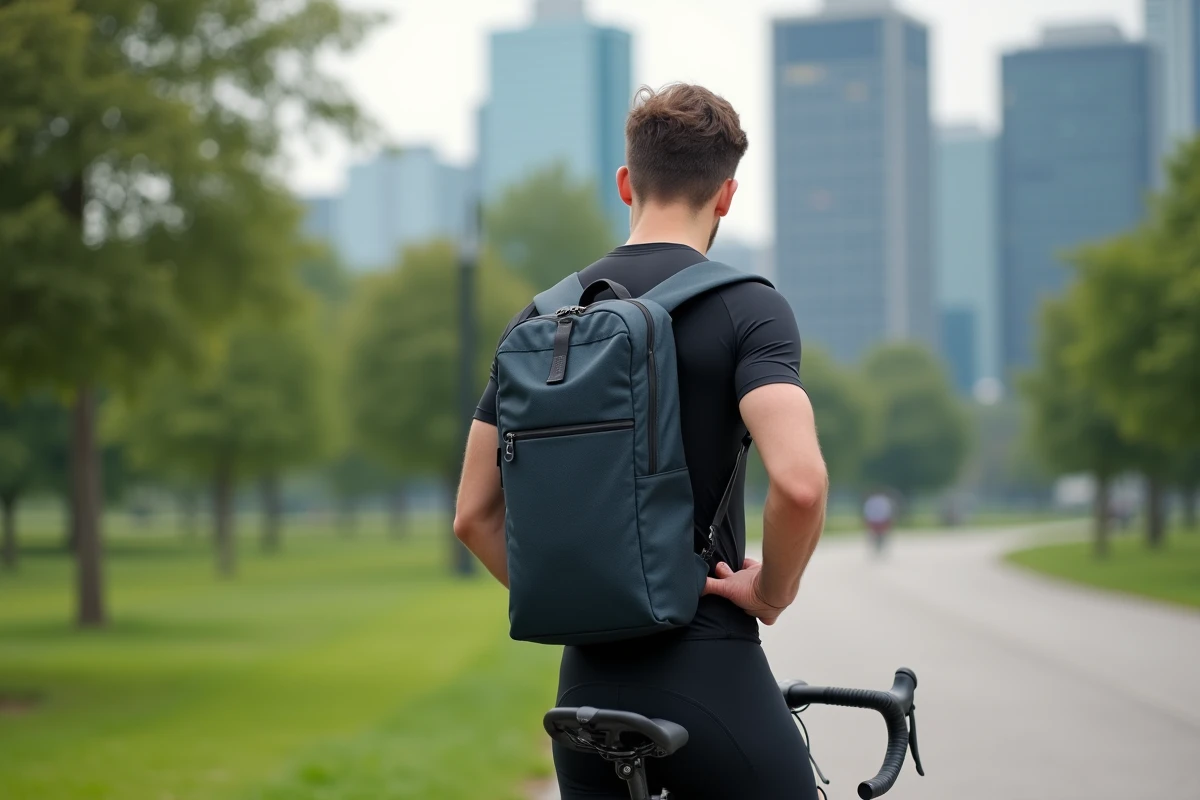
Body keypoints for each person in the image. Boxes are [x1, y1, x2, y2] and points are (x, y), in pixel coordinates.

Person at [454, 83, 828, 799]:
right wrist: (770, 589)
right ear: (726, 195)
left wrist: (580, 598)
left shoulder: (539, 322)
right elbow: (801, 483)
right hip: (710, 675)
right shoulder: (750, 308)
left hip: (585, 701)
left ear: (626, 182)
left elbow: (472, 516)